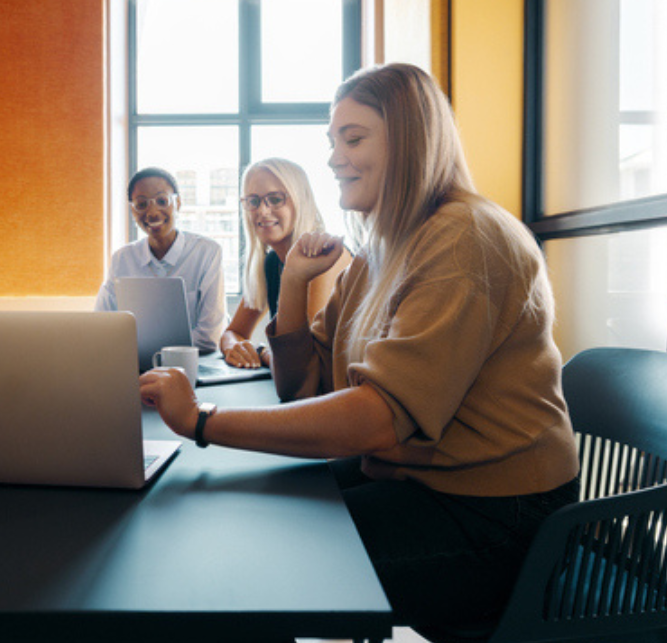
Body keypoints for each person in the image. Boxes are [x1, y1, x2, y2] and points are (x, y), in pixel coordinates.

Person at [139, 63, 579, 638]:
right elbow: (301, 386)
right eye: (332, 141)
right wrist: (293, 281)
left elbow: (377, 421)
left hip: (496, 514)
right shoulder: (382, 250)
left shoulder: (464, 238)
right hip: (419, 480)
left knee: (247, 561)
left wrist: (200, 420)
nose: (332, 158)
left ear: (412, 141)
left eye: (353, 138)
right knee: (237, 517)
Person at [219, 158, 349, 369]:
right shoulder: (270, 263)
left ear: (301, 201)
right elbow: (233, 332)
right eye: (253, 201)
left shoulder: (324, 257)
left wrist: (260, 352)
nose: (262, 211)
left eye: (275, 199)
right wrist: (235, 347)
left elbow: (306, 361)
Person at [94, 166, 225, 352]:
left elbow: (209, 337)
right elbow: (101, 325)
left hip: (193, 366)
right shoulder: (122, 259)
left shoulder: (207, 253)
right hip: (135, 366)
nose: (153, 212)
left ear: (178, 203)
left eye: (162, 201)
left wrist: (143, 347)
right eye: (141, 204)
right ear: (133, 211)